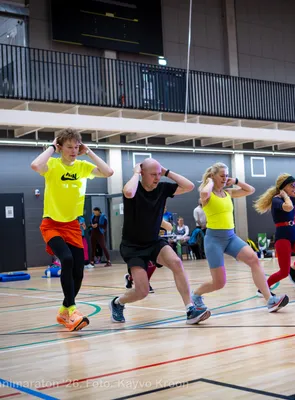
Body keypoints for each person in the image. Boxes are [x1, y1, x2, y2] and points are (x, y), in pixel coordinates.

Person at [30, 129, 113, 331]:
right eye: (69, 147)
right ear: (60, 147)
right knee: (66, 259)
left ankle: (64, 311)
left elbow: (108, 172)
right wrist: (52, 147)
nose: (74, 150)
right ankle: (73, 311)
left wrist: (89, 152)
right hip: (51, 224)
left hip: (72, 225)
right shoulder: (52, 164)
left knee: (79, 272)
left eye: (76, 147)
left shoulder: (83, 167)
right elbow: (35, 165)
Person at [110, 158, 210, 324]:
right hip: (132, 246)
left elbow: (189, 186)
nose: (157, 178)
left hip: (153, 242)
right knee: (142, 291)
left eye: (158, 174)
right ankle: (117, 303)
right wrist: (136, 173)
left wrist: (166, 172)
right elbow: (128, 192)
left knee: (176, 263)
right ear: (142, 173)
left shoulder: (162, 188)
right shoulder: (134, 188)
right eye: (153, 174)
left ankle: (190, 309)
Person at [191, 162, 289, 313]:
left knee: (254, 260)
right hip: (214, 239)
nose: (225, 178)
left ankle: (270, 300)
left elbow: (250, 190)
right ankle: (196, 295)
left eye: (226, 175)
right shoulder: (207, 194)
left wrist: (236, 181)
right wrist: (209, 181)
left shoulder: (228, 193)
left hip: (230, 237)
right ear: (213, 176)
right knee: (219, 282)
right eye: (222, 176)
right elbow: (204, 194)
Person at [124, 218, 173, 293]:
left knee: (154, 264)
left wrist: (161, 223)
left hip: (154, 242)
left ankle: (130, 278)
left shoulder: (159, 217)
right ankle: (145, 283)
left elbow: (170, 227)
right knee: (147, 264)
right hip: (139, 243)